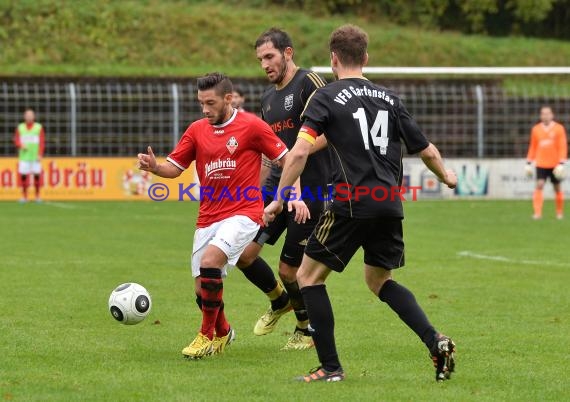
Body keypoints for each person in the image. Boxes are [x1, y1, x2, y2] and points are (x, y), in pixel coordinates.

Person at [264, 24, 458, 382]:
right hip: (388, 202)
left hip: (350, 201)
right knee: (379, 279)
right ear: (365, 58)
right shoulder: (389, 98)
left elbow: (300, 151)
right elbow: (426, 150)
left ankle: (330, 368)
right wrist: (446, 176)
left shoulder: (325, 96)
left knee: (307, 277)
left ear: (333, 58)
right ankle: (435, 341)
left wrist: (279, 199)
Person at [137, 73, 288, 359]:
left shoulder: (252, 126)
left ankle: (206, 336)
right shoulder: (196, 129)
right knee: (201, 291)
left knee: (210, 263)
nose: (205, 109)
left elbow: (286, 158)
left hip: (244, 211)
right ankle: (223, 331)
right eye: (201, 103)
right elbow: (175, 167)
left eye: (210, 103)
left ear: (228, 99)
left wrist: (285, 196)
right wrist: (155, 167)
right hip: (208, 216)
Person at [235, 28, 330, 350]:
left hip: (312, 189)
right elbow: (267, 152)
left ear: (288, 53)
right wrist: (251, 194)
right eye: (260, 59)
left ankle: (306, 328)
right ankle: (279, 302)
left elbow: (330, 132)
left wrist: (295, 158)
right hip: (278, 187)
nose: (264, 64)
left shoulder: (310, 83)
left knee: (290, 269)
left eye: (270, 56)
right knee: (243, 254)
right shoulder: (267, 98)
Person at [525, 106, 567, 219]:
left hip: (555, 164)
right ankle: (537, 213)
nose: (545, 116)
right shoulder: (536, 129)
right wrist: (528, 162)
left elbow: (562, 146)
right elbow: (533, 146)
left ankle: (559, 212)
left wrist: (561, 163)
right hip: (541, 163)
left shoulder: (559, 128)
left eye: (547, 113)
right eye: (543, 114)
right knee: (539, 184)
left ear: (552, 115)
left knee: (557, 187)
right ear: (540, 116)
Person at [13, 108, 45, 203]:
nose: (29, 117)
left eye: (31, 115)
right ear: (24, 116)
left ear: (34, 116)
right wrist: (20, 145)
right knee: (24, 177)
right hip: (24, 156)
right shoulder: (20, 127)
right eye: (27, 115)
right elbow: (16, 140)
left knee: (37, 176)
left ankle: (37, 196)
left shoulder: (38, 127)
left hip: (35, 156)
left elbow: (42, 142)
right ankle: (24, 196)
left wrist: (40, 154)